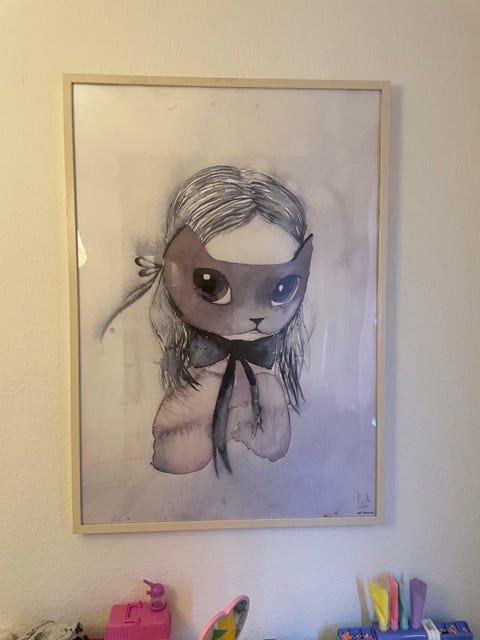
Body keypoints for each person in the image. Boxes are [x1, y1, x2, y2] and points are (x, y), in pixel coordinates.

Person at [104, 165, 313, 475]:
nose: (254, 314)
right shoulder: (138, 353)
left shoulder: (268, 380)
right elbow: (170, 456)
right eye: (211, 284)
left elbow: (276, 448)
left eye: (282, 288)